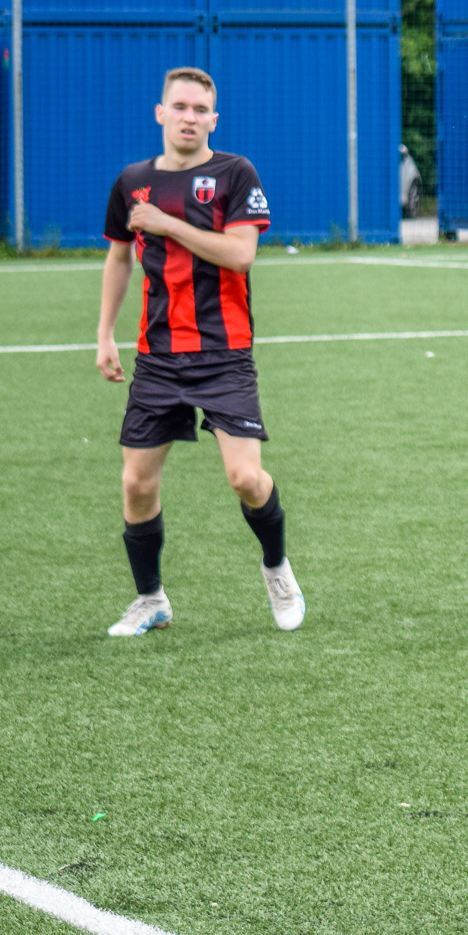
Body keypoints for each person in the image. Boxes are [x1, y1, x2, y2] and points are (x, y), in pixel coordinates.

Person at [95, 67, 302, 636]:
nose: (189, 117)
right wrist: (105, 333)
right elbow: (118, 257)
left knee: (246, 479)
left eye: (200, 109)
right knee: (136, 483)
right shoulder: (132, 181)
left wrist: (167, 223)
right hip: (158, 356)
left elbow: (240, 254)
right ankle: (151, 599)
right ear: (160, 113)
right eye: (180, 107)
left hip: (224, 354)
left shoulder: (235, 173)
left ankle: (276, 566)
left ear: (214, 119)